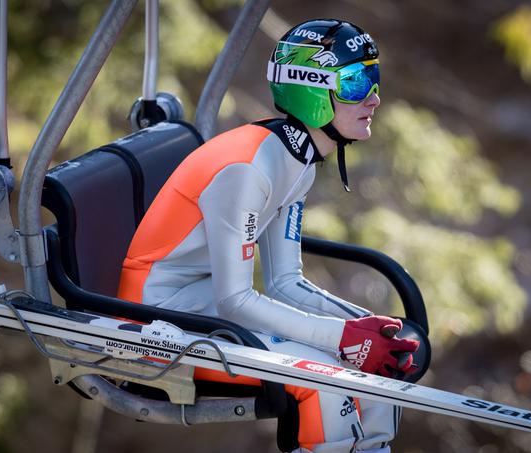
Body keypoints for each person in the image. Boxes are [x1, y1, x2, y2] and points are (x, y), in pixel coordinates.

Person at [118, 18, 420, 453]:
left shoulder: (296, 158)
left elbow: (285, 282)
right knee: (323, 378)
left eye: (373, 78)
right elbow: (235, 300)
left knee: (371, 372)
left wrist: (364, 329)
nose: (374, 98)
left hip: (199, 303)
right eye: (355, 81)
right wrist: (343, 338)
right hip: (154, 317)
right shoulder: (248, 170)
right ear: (313, 90)